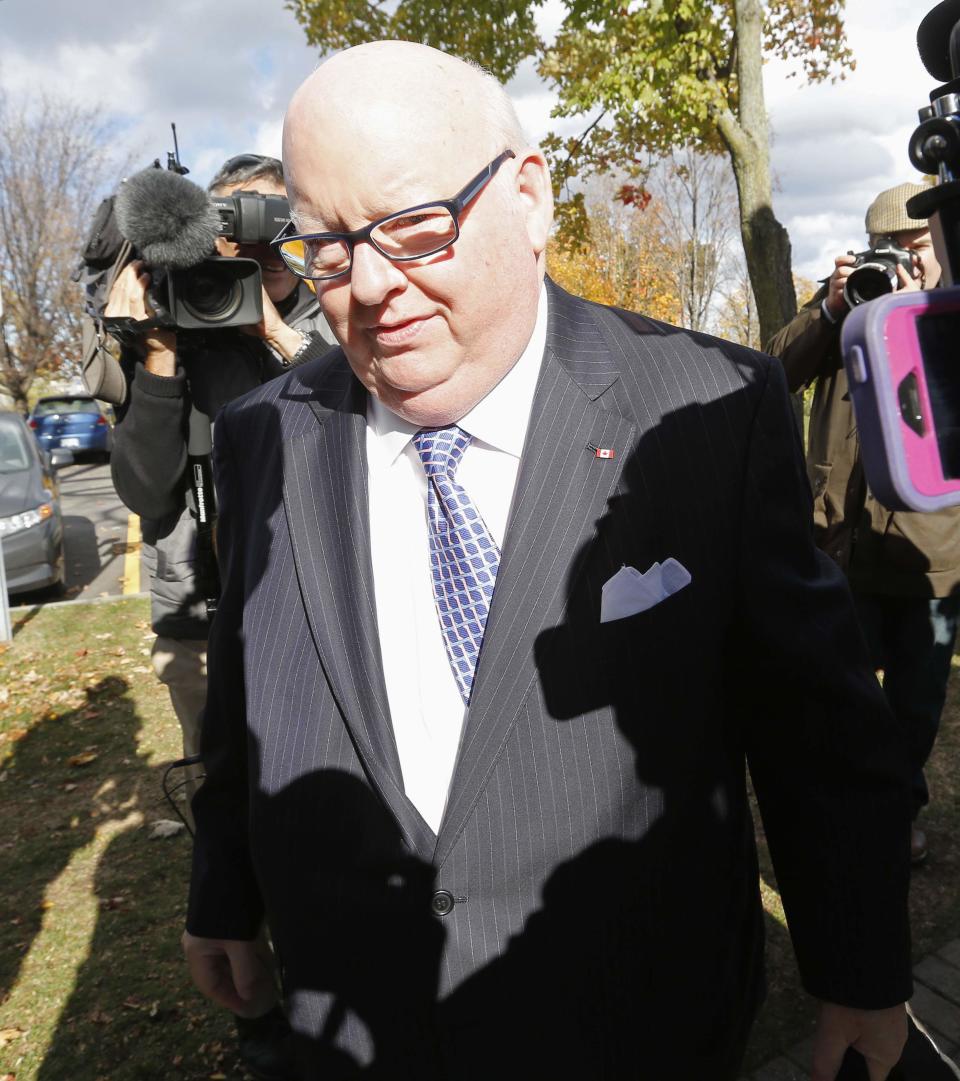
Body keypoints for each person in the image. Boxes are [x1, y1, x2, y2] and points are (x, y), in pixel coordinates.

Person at [183, 44, 914, 1081]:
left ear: (527, 198)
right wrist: (223, 893)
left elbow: (816, 727)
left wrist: (861, 972)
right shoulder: (267, 434)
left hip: (638, 1023)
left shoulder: (705, 408)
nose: (374, 289)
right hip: (355, 1025)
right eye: (330, 249)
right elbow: (246, 688)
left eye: (415, 226)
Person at [108, 152, 335, 1080]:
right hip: (203, 622)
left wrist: (281, 333)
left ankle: (340, 982)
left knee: (320, 814)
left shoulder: (329, 316)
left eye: (270, 235)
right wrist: (159, 346)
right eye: (226, 236)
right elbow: (149, 495)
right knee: (231, 819)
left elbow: (369, 441)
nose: (242, 259)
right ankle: (262, 1013)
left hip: (317, 614)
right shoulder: (166, 336)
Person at [768, 182, 960, 867]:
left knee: (915, 703)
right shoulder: (851, 309)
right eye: (890, 250)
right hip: (841, 545)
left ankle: (899, 809)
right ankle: (846, 808)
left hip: (933, 556)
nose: (907, 264)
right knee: (841, 697)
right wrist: (830, 305)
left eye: (917, 249)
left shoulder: (951, 316)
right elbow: (772, 370)